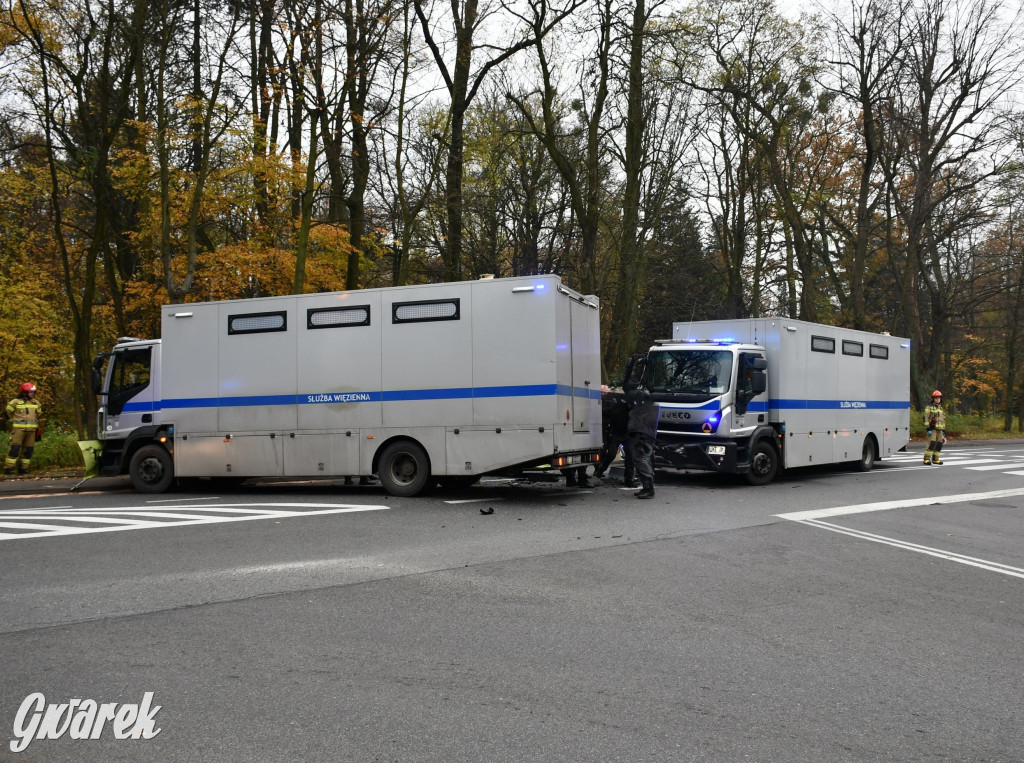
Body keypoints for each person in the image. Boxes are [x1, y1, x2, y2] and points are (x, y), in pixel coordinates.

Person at [593, 389, 636, 486]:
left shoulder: (630, 405)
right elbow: (606, 413)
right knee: (612, 454)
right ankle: (600, 470)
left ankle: (629, 479)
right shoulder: (617, 404)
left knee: (630, 457)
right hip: (617, 432)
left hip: (626, 433)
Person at [626, 385, 659, 499]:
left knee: (641, 460)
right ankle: (647, 487)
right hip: (644, 436)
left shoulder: (645, 408)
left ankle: (649, 489)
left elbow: (639, 422)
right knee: (642, 460)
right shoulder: (649, 406)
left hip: (642, 437)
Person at [5, 383, 42, 477]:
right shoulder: (15, 402)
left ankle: (24, 468)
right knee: (14, 449)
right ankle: (9, 469)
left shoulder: (36, 403)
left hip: (32, 431)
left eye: (33, 392)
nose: (32, 393)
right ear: (24, 392)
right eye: (30, 392)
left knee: (28, 450)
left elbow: (38, 415)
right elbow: (7, 414)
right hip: (18, 430)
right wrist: (14, 422)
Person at [924, 389, 946, 465]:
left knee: (939, 444)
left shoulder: (941, 408)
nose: (938, 399)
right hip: (932, 429)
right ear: (933, 399)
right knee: (931, 443)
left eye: (939, 398)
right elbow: (926, 418)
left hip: (940, 430)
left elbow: (943, 420)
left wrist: (944, 430)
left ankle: (936, 459)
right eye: (936, 398)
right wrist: (927, 428)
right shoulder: (929, 407)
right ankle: (926, 459)